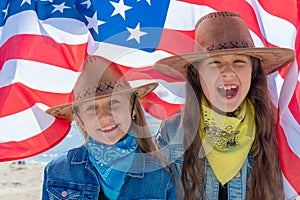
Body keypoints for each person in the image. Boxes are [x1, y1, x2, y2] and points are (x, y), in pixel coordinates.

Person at [154, 11, 295, 200]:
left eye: (238, 61)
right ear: (197, 75)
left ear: (253, 72)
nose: (227, 72)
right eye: (214, 63)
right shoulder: (171, 133)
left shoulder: (279, 134)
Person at [42, 55, 176, 200]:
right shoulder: (57, 171)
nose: (105, 116)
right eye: (92, 108)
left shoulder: (160, 175)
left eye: (114, 102)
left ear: (131, 108)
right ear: (80, 119)